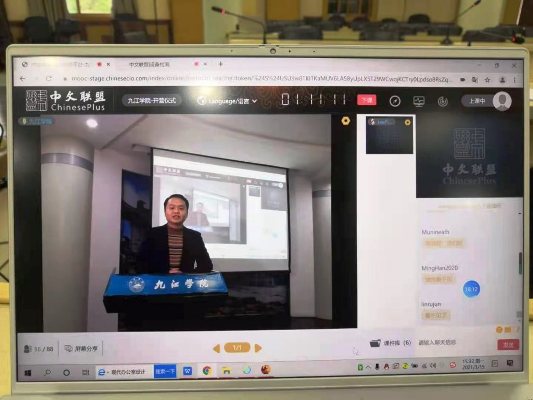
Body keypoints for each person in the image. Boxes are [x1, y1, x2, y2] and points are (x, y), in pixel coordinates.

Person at [138, 194, 213, 274]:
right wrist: (165, 274)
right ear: (165, 212)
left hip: (185, 281)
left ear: (187, 213)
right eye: (172, 208)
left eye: (181, 208)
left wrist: (186, 275)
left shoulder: (195, 237)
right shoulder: (152, 234)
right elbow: (141, 264)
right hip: (158, 281)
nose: (176, 211)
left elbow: (207, 265)